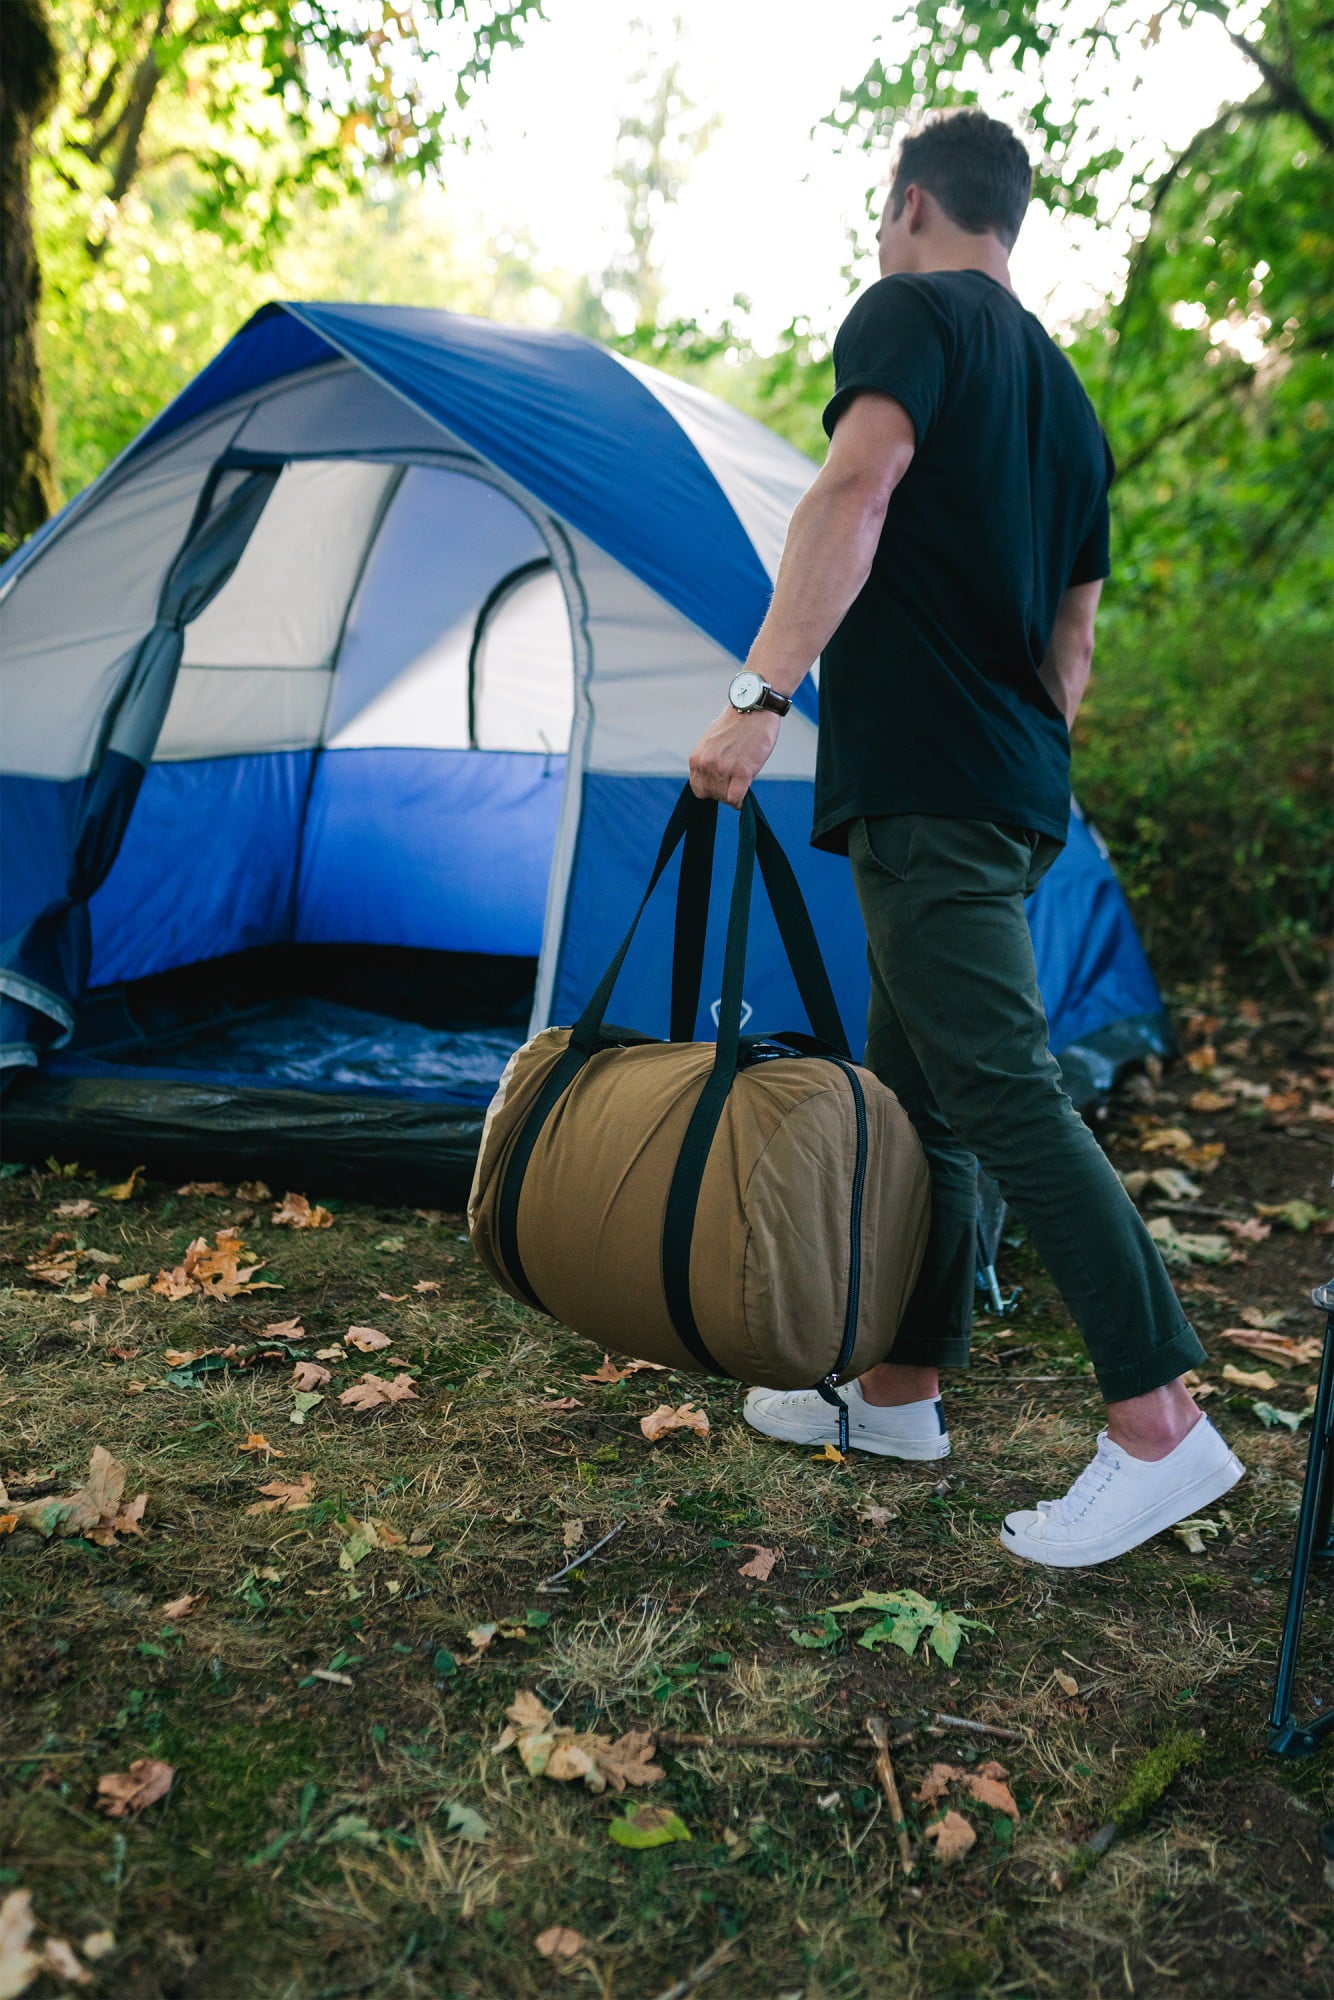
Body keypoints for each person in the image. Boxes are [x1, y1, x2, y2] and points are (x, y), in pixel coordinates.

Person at [687, 107, 1243, 1568]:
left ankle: (1156, 1421)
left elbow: (854, 485)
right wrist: (1026, 773)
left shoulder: (908, 311)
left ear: (912, 202)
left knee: (1000, 1091)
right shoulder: (1068, 402)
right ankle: (896, 1389)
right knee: (916, 1097)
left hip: (928, 785)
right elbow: (1074, 647)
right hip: (1008, 789)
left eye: (887, 214)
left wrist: (761, 694)